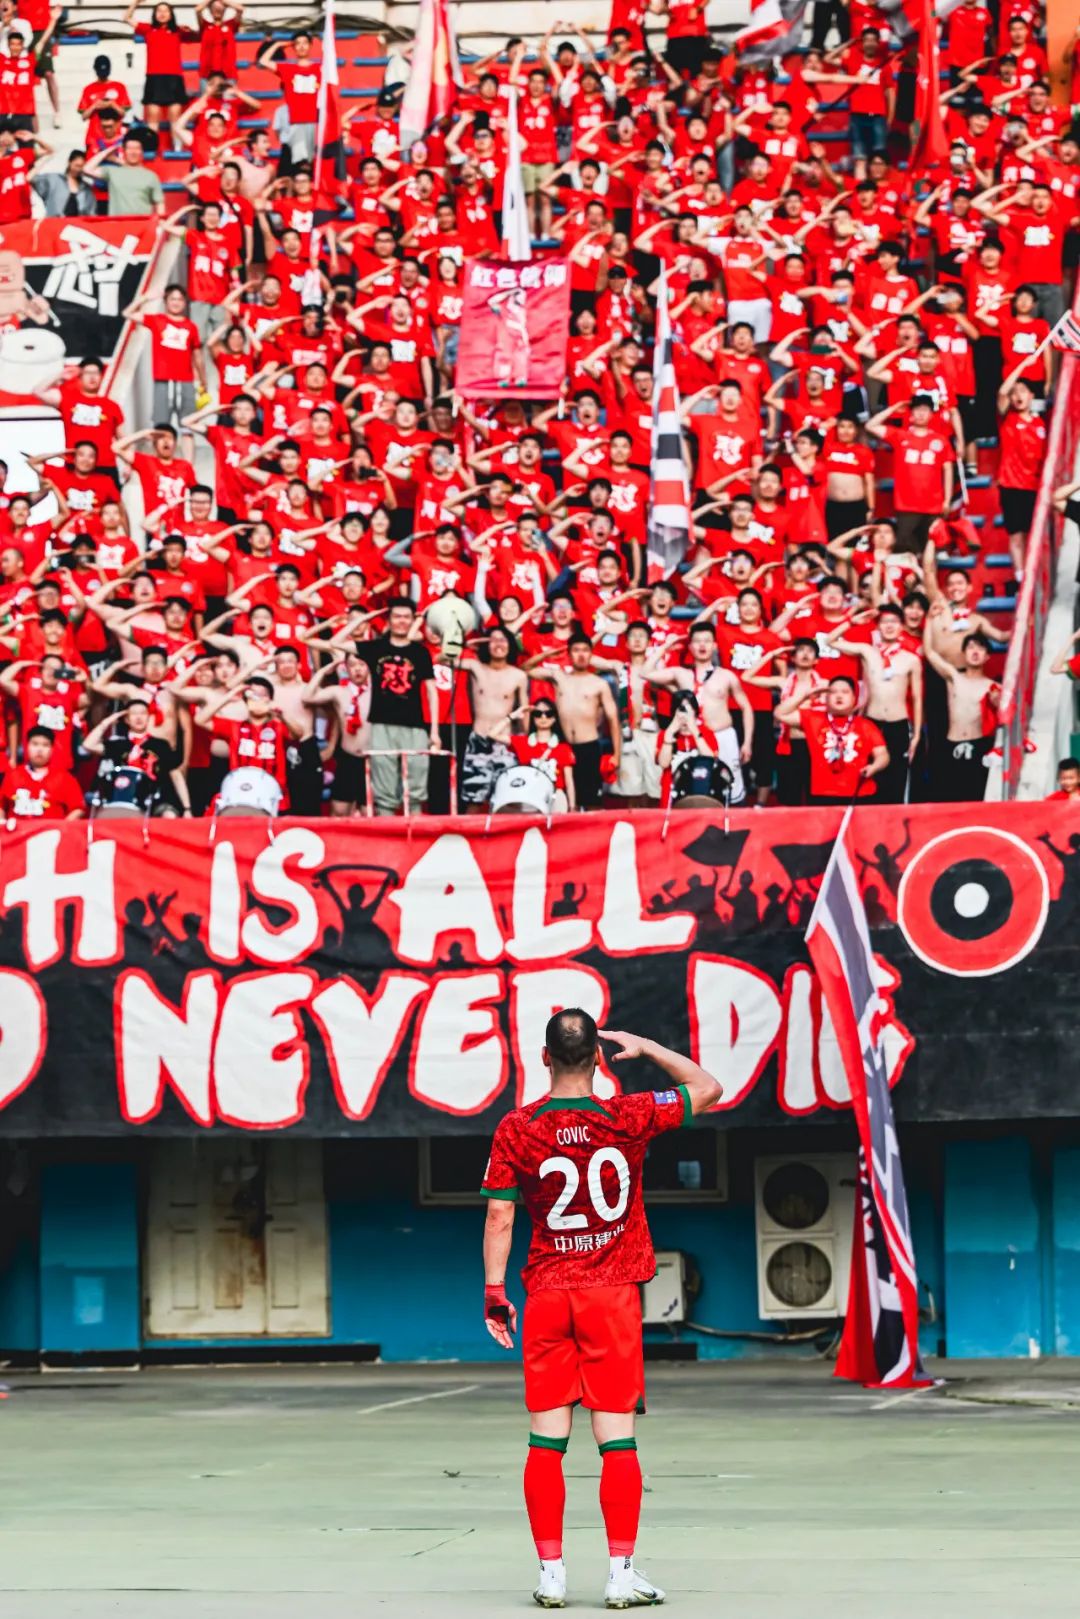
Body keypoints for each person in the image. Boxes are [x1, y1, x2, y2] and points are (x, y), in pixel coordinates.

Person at [481, 1009, 722, 1611]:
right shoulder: (628, 1115)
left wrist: (494, 1292)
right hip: (611, 1296)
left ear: (542, 1058)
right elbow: (709, 1087)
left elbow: (500, 1215)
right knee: (616, 1441)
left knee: (545, 1441)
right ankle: (620, 1574)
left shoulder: (517, 1127)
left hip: (548, 1295)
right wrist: (647, 1046)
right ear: (597, 1059)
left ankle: (551, 1575)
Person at [353, 596, 440, 816]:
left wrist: (435, 731)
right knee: (384, 788)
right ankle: (387, 837)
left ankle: (416, 838)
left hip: (415, 724)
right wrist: (368, 617)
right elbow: (334, 643)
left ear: (413, 621)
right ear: (389, 620)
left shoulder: (420, 652)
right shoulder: (375, 648)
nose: (401, 621)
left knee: (417, 785)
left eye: (406, 617)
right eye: (396, 616)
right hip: (382, 723)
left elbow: (432, 692)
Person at [774, 674, 889, 805]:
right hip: (822, 794)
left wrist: (874, 767)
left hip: (859, 793)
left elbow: (882, 755)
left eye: (845, 692)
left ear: (854, 699)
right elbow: (780, 713)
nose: (839, 696)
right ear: (826, 698)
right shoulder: (813, 719)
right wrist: (805, 694)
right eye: (833, 692)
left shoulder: (865, 725)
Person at [0, 726, 85, 819]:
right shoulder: (12, 775)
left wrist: (62, 828)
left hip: (51, 832)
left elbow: (78, 808)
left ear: (52, 749)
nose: (39, 749)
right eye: (35, 744)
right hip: (18, 832)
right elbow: (1, 806)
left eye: (45, 745)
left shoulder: (64, 778)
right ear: (27, 746)